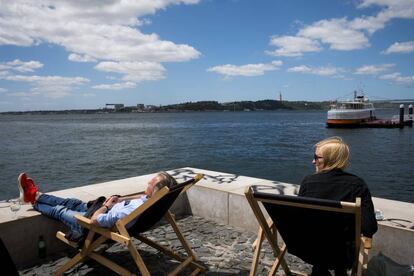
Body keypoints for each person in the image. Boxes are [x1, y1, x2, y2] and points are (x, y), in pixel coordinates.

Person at [299, 137, 378, 276]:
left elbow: (299, 217)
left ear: (330, 159)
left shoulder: (307, 182)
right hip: (344, 253)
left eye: (316, 157)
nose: (313, 161)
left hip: (311, 249)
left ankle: (319, 270)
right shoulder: (358, 185)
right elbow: (369, 227)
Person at [18, 171, 177, 238]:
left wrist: (107, 206)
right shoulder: (152, 201)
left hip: (91, 224)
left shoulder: (131, 211)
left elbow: (95, 221)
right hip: (103, 209)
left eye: (152, 182)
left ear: (156, 191)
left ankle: (33, 201)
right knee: (71, 202)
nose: (149, 181)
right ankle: (35, 195)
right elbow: (143, 196)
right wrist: (120, 200)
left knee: (61, 210)